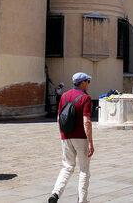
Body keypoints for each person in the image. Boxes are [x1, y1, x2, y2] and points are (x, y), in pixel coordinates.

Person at [48, 72, 94, 203]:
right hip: (81, 137)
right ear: (83, 82)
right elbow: (87, 122)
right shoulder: (86, 98)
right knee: (84, 170)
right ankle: (82, 200)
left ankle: (55, 193)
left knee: (67, 167)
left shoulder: (64, 96)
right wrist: (90, 142)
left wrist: (63, 136)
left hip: (66, 136)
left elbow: (58, 118)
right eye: (88, 81)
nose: (88, 84)